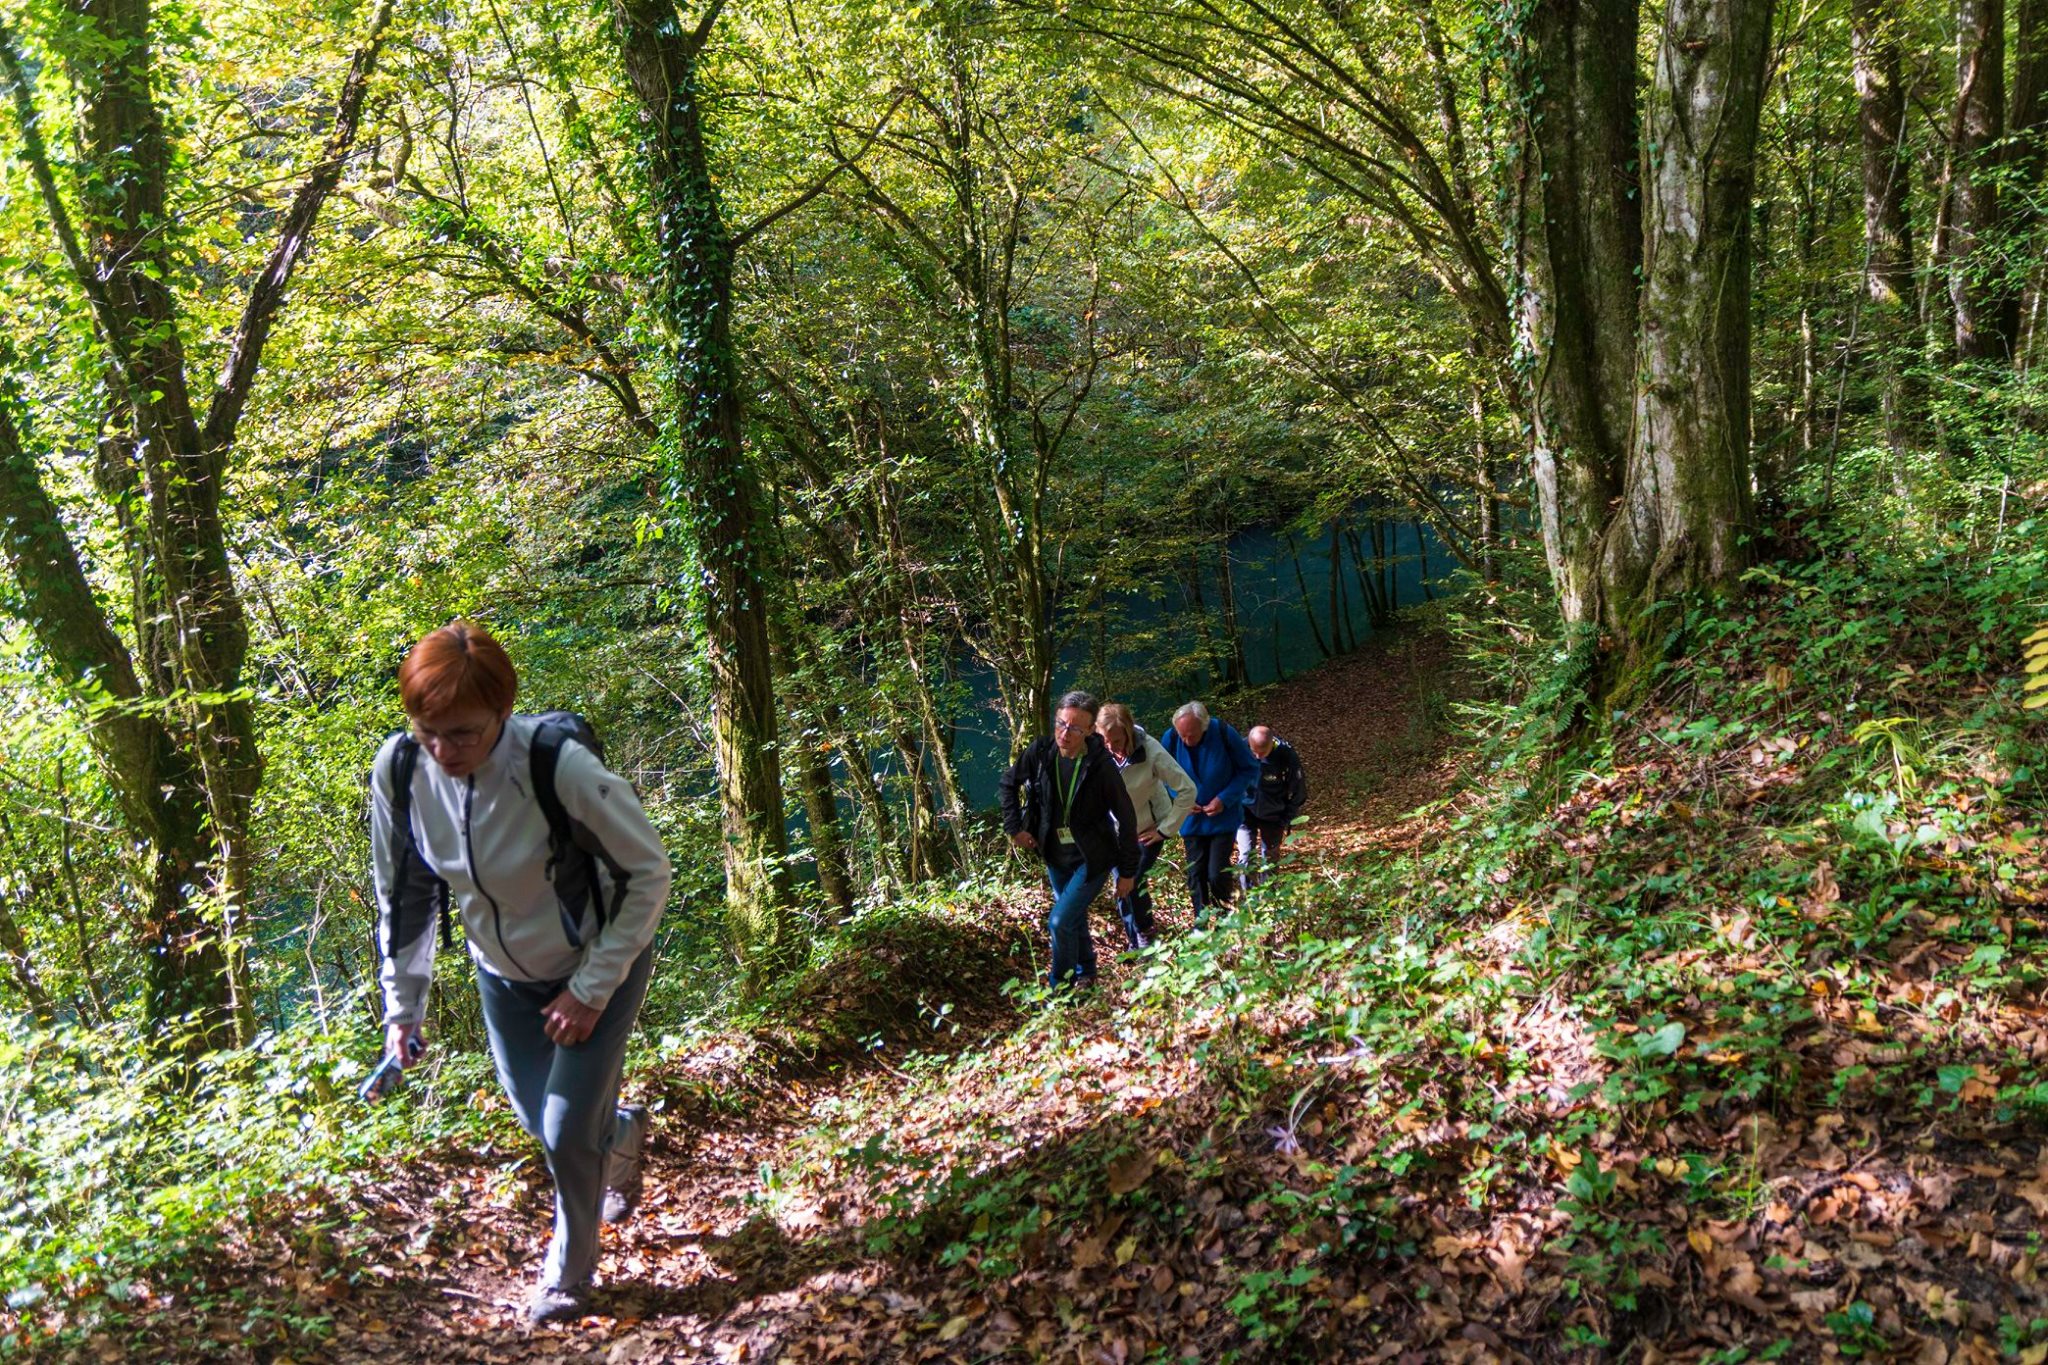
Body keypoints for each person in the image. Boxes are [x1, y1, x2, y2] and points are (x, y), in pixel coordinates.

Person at [370, 622, 672, 1325]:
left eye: (464, 733)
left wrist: (592, 988)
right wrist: (402, 1010)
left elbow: (649, 872)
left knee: (567, 1132)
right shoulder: (401, 770)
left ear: (502, 712)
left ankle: (569, 1276)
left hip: (597, 961)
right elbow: (406, 895)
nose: (444, 750)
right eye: (428, 730)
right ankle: (620, 1134)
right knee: (546, 1122)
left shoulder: (554, 766)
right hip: (501, 978)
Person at [998, 691, 1141, 989]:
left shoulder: (1101, 766)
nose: (1065, 733)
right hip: (1054, 853)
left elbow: (1127, 818)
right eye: (1060, 724)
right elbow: (1008, 783)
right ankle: (1086, 972)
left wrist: (1127, 872)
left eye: (1075, 728)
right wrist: (1015, 828)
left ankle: (1059, 989)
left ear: (1090, 731)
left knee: (1060, 921)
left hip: (1092, 858)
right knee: (1071, 917)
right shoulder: (1040, 753)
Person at [1095, 702, 1194, 950]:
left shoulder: (1150, 751)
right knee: (1122, 886)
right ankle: (1134, 942)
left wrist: (1165, 829)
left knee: (1133, 879)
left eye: (1116, 741)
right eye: (1104, 740)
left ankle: (1146, 933)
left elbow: (1187, 790)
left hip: (1147, 828)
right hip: (1114, 832)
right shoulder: (1095, 752)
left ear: (1128, 732)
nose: (1110, 748)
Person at [1159, 701, 1261, 926]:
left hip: (1222, 818)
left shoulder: (1224, 733)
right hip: (1191, 819)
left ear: (1204, 727)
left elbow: (1249, 769)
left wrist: (1224, 799)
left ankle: (1225, 917)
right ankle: (1201, 923)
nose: (1186, 740)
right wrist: (1180, 797)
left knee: (1216, 872)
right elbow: (1163, 774)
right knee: (1196, 873)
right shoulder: (1171, 738)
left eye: (1191, 735)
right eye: (1182, 735)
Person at [1235, 724, 1308, 890]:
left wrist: (1285, 819)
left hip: (1274, 814)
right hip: (1244, 812)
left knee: (1270, 857)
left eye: (1262, 753)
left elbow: (1299, 791)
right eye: (1254, 752)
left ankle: (1269, 897)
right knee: (1246, 856)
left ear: (1271, 745)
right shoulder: (1239, 749)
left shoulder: (1286, 755)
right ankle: (1250, 899)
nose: (1257, 756)